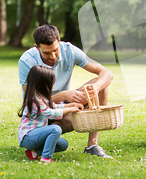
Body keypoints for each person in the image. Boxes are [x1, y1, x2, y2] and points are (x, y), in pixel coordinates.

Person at [18, 25, 114, 158]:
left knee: (102, 84)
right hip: (40, 115)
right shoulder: (27, 61)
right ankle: (39, 142)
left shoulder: (70, 50)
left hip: (60, 107)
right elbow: (31, 97)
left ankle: (92, 145)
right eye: (46, 53)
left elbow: (106, 73)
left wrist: (96, 88)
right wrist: (62, 95)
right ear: (36, 47)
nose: (53, 56)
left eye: (55, 50)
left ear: (59, 40)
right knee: (52, 125)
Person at [18, 65, 84, 163]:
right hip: (28, 137)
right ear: (41, 85)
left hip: (37, 136)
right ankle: (46, 158)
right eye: (51, 84)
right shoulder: (34, 99)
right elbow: (50, 113)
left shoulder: (42, 98)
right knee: (55, 129)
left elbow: (55, 106)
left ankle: (34, 153)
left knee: (63, 144)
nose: (53, 86)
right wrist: (71, 110)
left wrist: (71, 105)